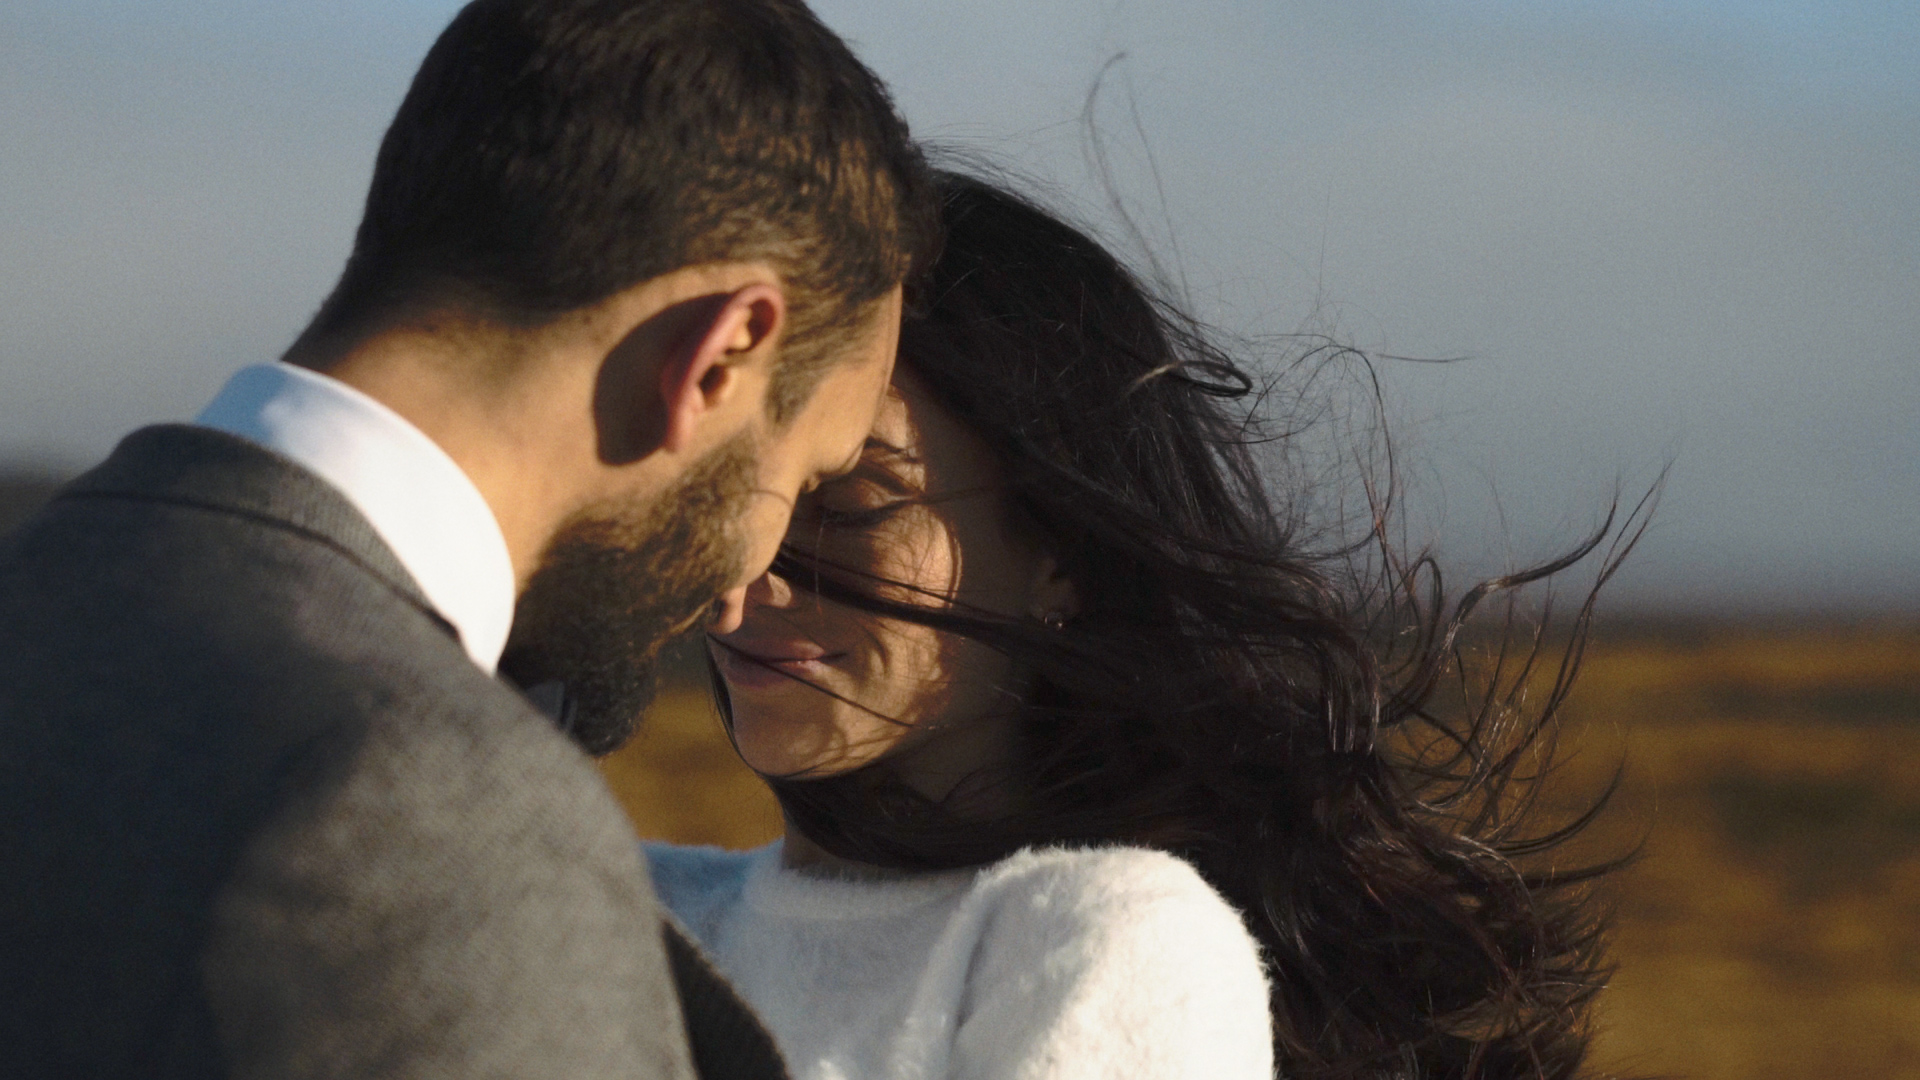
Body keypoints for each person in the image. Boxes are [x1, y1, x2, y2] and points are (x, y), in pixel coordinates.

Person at [0, 1, 935, 1077]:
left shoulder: (40, 602)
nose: (744, 591)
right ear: (718, 361)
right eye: (805, 475)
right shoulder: (422, 810)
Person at [652, 171, 1636, 1080]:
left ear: (1062, 548)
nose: (743, 570)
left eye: (854, 504)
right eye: (725, 489)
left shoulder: (1101, 945)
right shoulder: (622, 903)